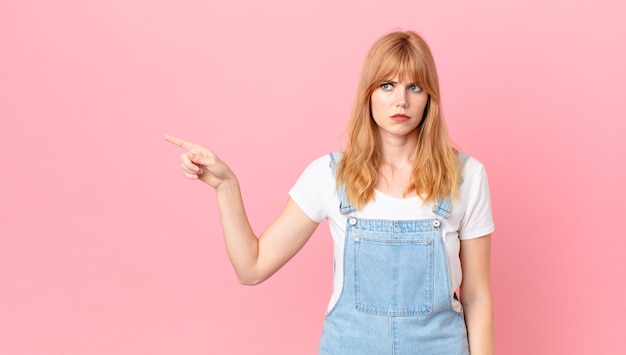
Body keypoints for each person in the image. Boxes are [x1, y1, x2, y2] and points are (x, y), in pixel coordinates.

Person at [165, 30, 494, 355]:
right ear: (368, 93)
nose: (401, 100)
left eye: (415, 87)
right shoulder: (329, 176)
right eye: (387, 85)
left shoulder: (466, 176)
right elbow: (252, 268)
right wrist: (226, 187)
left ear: (429, 98)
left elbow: (477, 296)